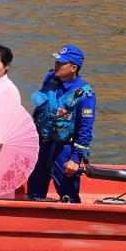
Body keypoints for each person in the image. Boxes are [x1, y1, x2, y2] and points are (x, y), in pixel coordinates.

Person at [27, 45, 96, 203]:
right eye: (56, 61)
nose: (56, 65)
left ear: (73, 68)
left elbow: (85, 130)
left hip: (65, 149)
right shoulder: (50, 78)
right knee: (34, 191)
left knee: (68, 195)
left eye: (61, 63)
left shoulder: (85, 95)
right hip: (42, 145)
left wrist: (75, 159)